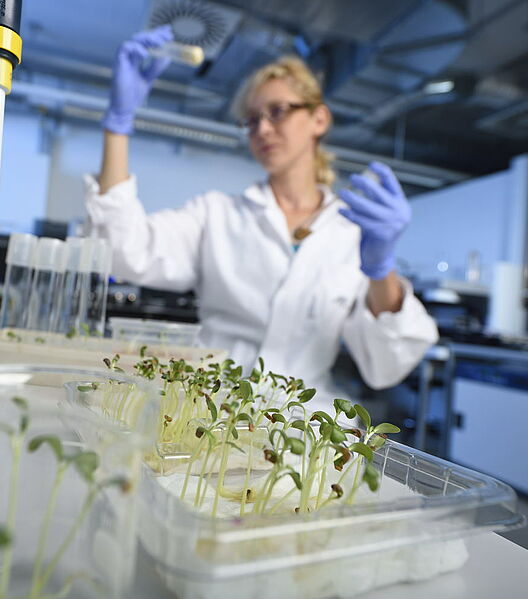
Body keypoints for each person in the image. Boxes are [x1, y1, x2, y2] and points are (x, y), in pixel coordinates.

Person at [85, 26, 438, 403]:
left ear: (319, 119)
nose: (263, 129)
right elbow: (121, 251)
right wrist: (117, 126)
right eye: (252, 120)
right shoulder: (217, 214)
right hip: (207, 410)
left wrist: (381, 269)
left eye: (277, 112)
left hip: (303, 430)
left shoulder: (354, 231)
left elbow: (387, 365)